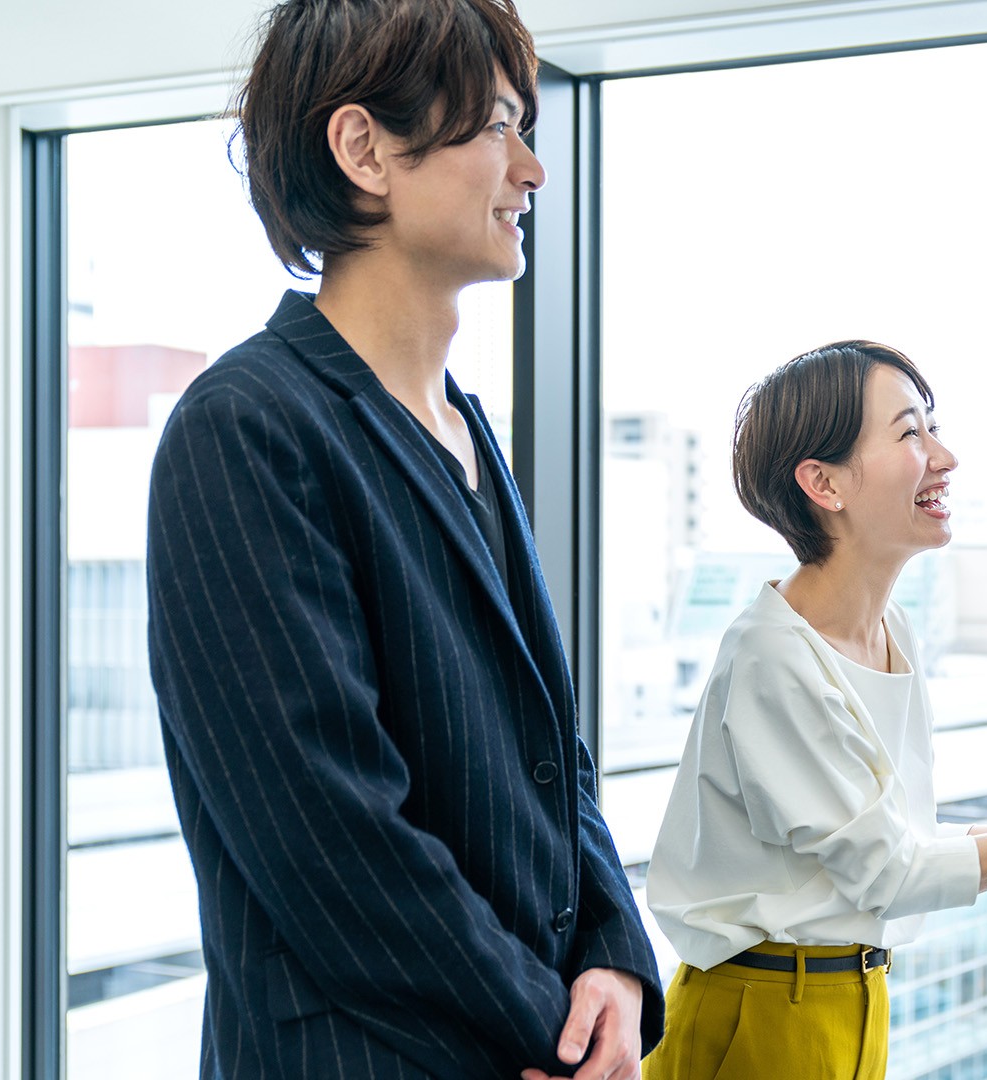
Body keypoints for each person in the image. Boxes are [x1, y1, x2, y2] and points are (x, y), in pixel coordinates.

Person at [145, 1, 661, 1076]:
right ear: (363, 148)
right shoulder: (245, 427)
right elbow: (326, 832)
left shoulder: (467, 428)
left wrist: (612, 954)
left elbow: (547, 760)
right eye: (496, 128)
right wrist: (547, 1033)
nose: (533, 171)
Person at [643, 341, 987, 1080]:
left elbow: (904, 841)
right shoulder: (774, 658)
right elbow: (889, 873)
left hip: (852, 996)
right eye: (909, 432)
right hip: (762, 1012)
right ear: (823, 483)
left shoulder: (893, 634)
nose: (943, 456)